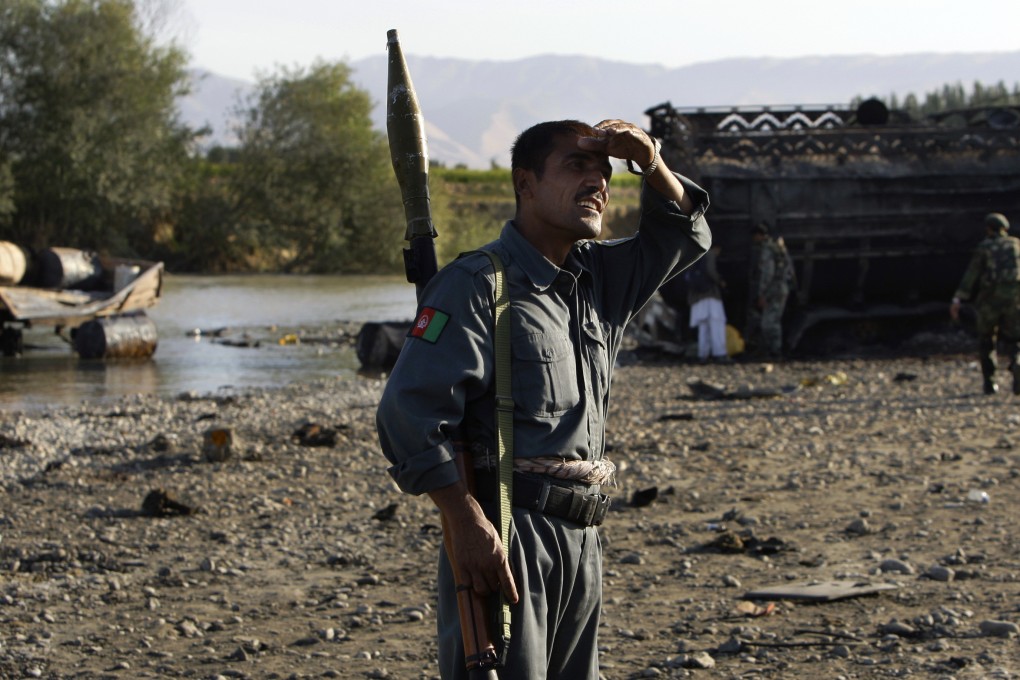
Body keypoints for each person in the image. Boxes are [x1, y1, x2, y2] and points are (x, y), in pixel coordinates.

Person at [376, 119, 710, 679]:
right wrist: (464, 522)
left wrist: (650, 161)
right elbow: (406, 413)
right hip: (510, 532)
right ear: (524, 183)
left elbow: (684, 234)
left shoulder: (599, 282)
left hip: (584, 537)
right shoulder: (478, 285)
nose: (598, 183)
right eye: (577, 167)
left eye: (605, 173)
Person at [950, 212, 1020, 395]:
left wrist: (958, 298)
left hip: (990, 301)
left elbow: (971, 275)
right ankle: (1018, 368)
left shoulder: (985, 248)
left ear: (989, 229)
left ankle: (990, 384)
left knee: (987, 340)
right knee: (1016, 340)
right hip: (1014, 300)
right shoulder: (1016, 245)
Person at [746, 222, 792, 358]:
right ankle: (774, 350)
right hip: (781, 288)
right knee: (773, 321)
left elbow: (767, 274)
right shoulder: (777, 247)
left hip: (773, 290)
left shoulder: (767, 250)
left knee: (769, 323)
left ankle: (775, 351)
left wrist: (762, 295)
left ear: (759, 235)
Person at [685, 244, 730, 362]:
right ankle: (720, 353)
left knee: (703, 328)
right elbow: (711, 271)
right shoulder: (710, 254)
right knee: (717, 324)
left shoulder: (696, 255)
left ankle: (703, 355)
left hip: (697, 298)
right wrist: (720, 281)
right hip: (710, 296)